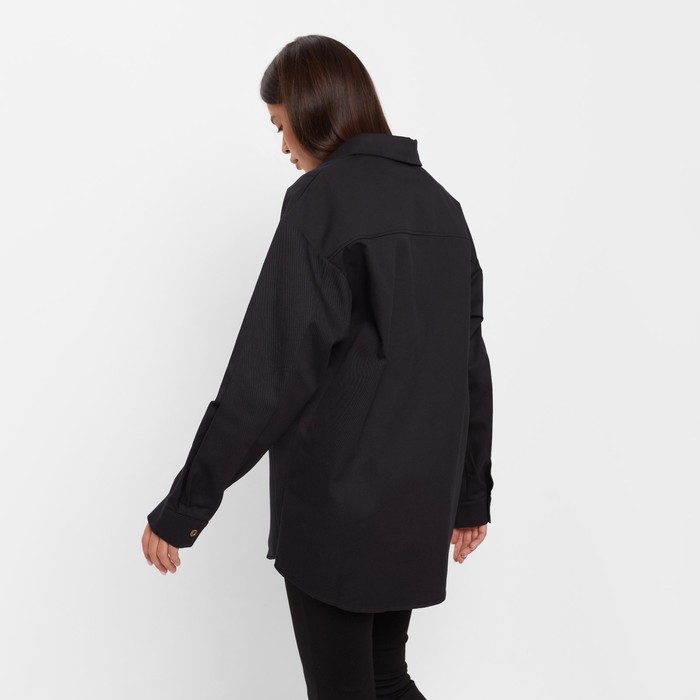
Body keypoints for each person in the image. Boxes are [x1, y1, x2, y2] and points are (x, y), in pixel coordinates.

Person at [141, 34, 494, 699]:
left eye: (281, 125)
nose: (282, 145)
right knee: (387, 678)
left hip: (340, 509)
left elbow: (267, 377)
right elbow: (469, 364)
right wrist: (471, 492)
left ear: (312, 111)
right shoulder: (443, 209)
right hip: (417, 502)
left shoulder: (321, 204)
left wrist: (185, 506)